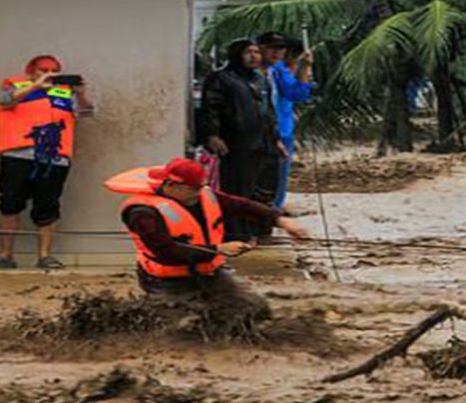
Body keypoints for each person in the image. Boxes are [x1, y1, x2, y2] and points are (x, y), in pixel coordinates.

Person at [105, 158, 309, 299]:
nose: (199, 193)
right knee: (183, 327)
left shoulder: (203, 195)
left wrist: (280, 220)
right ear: (172, 185)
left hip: (209, 272)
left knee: (249, 309)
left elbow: (241, 206)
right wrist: (218, 249)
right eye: (193, 189)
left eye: (200, 187)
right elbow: (167, 252)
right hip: (166, 280)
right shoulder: (143, 213)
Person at [0, 55, 94, 270]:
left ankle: (45, 257)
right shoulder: (16, 86)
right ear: (31, 71)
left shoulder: (64, 92)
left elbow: (87, 113)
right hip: (17, 155)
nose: (50, 73)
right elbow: (5, 100)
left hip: (54, 158)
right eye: (44, 69)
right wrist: (35, 86)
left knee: (48, 206)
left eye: (54, 70)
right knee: (9, 204)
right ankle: (5, 256)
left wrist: (81, 94)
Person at [198, 38, 282, 238]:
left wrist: (276, 139)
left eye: (256, 52)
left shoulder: (261, 79)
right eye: (248, 52)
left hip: (264, 142)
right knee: (238, 189)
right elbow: (210, 108)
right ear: (237, 55)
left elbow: (269, 112)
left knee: (265, 188)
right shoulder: (221, 78)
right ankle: (237, 233)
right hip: (236, 142)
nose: (254, 56)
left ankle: (261, 230)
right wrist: (212, 135)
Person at [256, 32, 314, 209]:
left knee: (278, 177)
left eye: (280, 49)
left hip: (282, 131)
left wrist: (304, 69)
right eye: (271, 48)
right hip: (258, 132)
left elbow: (298, 93)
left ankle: (274, 210)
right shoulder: (256, 72)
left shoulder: (277, 71)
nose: (276, 52)